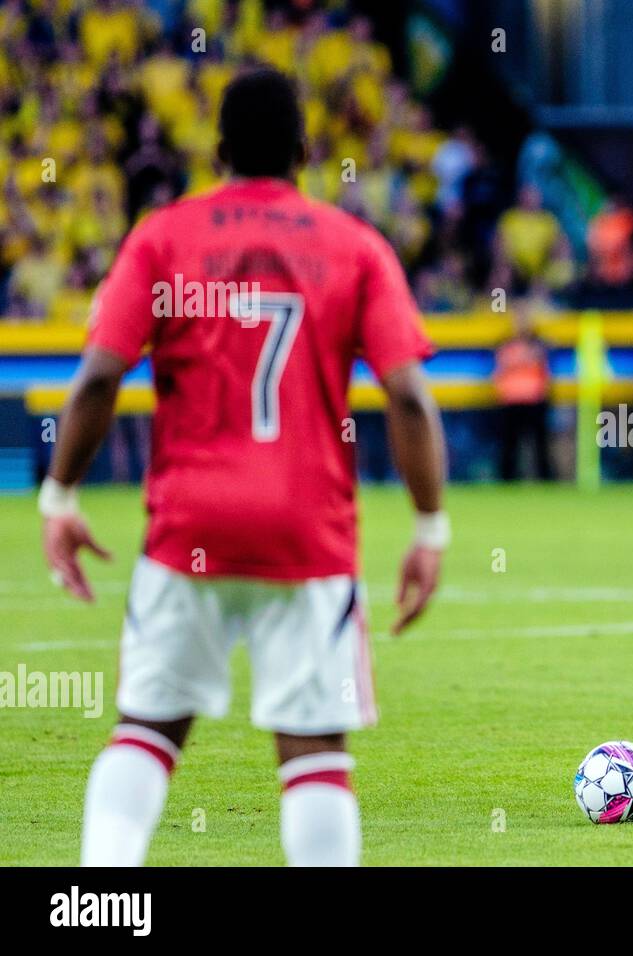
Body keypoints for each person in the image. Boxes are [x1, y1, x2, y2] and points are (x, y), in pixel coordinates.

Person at [39, 68, 449, 866]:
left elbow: (95, 377)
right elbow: (408, 397)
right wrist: (429, 527)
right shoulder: (354, 246)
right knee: (316, 757)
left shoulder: (162, 237)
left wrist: (59, 497)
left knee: (147, 731)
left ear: (218, 149)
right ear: (303, 150)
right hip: (307, 532)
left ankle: (98, 904)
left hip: (186, 525)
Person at [493, 309, 554, 481]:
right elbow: (502, 366)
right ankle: (507, 480)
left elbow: (545, 369)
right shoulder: (506, 344)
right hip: (511, 400)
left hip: (534, 399)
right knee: (509, 445)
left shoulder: (539, 344)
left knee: (540, 445)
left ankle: (545, 479)